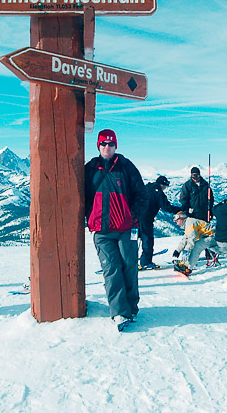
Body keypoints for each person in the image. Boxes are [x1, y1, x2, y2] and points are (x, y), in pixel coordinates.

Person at [84, 129, 147, 329]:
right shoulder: (91, 168)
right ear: (98, 146)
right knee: (111, 270)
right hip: (102, 230)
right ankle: (120, 312)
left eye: (111, 144)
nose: (107, 147)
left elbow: (141, 195)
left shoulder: (126, 167)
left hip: (126, 228)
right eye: (103, 144)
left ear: (116, 146)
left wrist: (133, 215)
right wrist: (89, 216)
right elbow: (82, 196)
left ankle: (131, 309)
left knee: (129, 268)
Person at [137, 175, 181, 269]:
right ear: (162, 184)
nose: (165, 188)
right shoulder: (158, 193)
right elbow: (166, 207)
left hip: (135, 217)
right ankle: (146, 262)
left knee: (133, 240)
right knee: (147, 240)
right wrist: (179, 209)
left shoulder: (146, 188)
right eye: (165, 186)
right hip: (146, 219)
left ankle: (128, 261)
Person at [170, 211, 217, 276]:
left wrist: (186, 250)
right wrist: (178, 250)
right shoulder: (188, 223)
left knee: (196, 246)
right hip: (210, 237)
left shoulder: (190, 224)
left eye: (177, 221)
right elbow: (185, 239)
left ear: (181, 219)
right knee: (192, 246)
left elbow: (191, 239)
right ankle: (185, 264)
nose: (177, 224)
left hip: (213, 237)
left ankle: (188, 268)